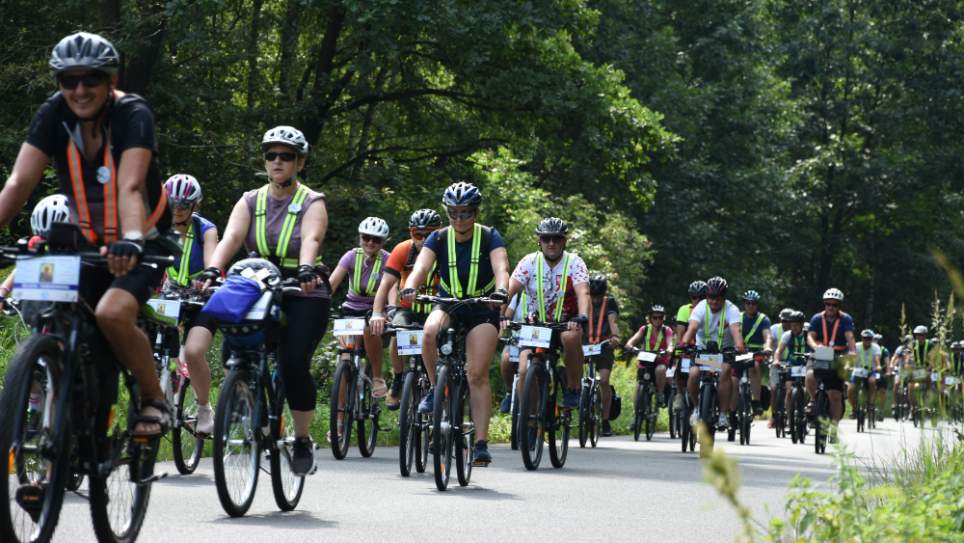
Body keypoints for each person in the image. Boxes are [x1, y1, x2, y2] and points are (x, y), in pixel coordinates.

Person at [0, 32, 175, 436]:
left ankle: (153, 399)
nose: (79, 90)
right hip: (87, 240)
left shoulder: (133, 114)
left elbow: (130, 186)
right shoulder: (52, 114)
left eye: (90, 79)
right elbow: (17, 183)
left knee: (112, 313)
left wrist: (130, 238)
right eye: (68, 80)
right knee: (55, 309)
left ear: (110, 80)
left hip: (142, 239)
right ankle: (64, 420)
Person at [200, 125, 329, 475]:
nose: (277, 161)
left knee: (293, 361)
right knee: (235, 349)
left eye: (286, 156)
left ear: (299, 163)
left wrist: (305, 268)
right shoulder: (250, 200)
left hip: (302, 288)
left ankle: (301, 438)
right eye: (270, 155)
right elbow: (231, 238)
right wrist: (213, 269)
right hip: (258, 283)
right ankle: (245, 398)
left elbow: (312, 238)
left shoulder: (311, 201)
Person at [401, 182, 510, 465]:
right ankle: (437, 391)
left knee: (476, 373)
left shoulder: (489, 237)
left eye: (465, 213)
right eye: (453, 213)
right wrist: (411, 286)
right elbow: (421, 267)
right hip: (448, 302)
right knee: (428, 332)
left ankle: (481, 443)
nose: (459, 220)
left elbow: (501, 268)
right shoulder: (437, 238)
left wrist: (501, 290)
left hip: (481, 307)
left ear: (475, 212)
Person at [505, 217, 591, 413]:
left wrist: (583, 315)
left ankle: (572, 388)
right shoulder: (529, 262)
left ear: (564, 241)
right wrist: (500, 314)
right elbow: (509, 290)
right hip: (536, 325)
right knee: (524, 370)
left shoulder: (574, 263)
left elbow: (583, 292)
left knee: (571, 338)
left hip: (565, 323)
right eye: (546, 239)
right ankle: (530, 418)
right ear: (539, 241)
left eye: (557, 239)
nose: (551, 243)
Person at [162, 174, 219, 434]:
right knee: (152, 345)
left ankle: (204, 407)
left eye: (183, 206)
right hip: (170, 294)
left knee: (194, 351)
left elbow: (211, 259)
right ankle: (161, 392)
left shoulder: (205, 229)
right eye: (171, 204)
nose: (176, 211)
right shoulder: (157, 227)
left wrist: (210, 274)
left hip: (202, 295)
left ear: (194, 206)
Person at [370, 209, 442, 409]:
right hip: (407, 308)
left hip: (436, 308)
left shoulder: (446, 249)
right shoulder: (402, 250)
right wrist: (377, 313)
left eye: (429, 234)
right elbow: (385, 284)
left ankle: (438, 381)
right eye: (417, 234)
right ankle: (399, 378)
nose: (423, 239)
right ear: (410, 233)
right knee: (397, 333)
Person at [328, 217, 392, 399]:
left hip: (375, 312)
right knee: (344, 359)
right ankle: (339, 422)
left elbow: (393, 289)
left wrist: (391, 310)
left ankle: (378, 377)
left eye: (376, 239)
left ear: (383, 242)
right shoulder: (350, 256)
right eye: (366, 237)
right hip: (350, 311)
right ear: (360, 237)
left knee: (369, 328)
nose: (370, 242)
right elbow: (331, 285)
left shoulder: (389, 260)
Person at [680, 276, 746, 429]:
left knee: (725, 371)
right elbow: (692, 328)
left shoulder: (732, 309)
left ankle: (723, 414)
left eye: (718, 298)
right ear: (707, 296)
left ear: (724, 297)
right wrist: (684, 343)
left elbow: (736, 331)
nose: (714, 302)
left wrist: (739, 346)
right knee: (694, 374)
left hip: (724, 351)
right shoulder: (701, 307)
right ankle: (696, 408)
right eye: (711, 298)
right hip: (703, 350)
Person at [0, 195, 73, 306]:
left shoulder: (84, 245)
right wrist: (3, 291)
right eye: (43, 238)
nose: (47, 243)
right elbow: (25, 266)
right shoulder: (38, 242)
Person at [805, 287, 856, 425]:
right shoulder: (816, 318)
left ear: (839, 306)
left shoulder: (845, 319)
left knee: (835, 395)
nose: (831, 307)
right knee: (810, 375)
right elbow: (810, 336)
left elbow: (850, 338)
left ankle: (834, 426)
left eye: (835, 305)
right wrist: (816, 347)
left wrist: (852, 352)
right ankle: (813, 400)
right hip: (820, 352)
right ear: (824, 304)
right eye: (828, 304)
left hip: (837, 354)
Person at [624, 304, 673, 429]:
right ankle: (636, 417)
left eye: (660, 318)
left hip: (659, 360)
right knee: (639, 387)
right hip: (645, 361)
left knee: (661, 370)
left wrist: (668, 349)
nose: (657, 320)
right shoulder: (644, 329)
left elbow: (670, 343)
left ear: (663, 318)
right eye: (654, 317)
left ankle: (660, 394)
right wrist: (631, 347)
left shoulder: (666, 330)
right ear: (650, 318)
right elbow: (631, 341)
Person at [583, 274, 621, 436]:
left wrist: (615, 337)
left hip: (604, 345)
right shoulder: (584, 300)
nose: (596, 300)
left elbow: (613, 323)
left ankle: (605, 420)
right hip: (585, 344)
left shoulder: (610, 302)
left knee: (604, 381)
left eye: (598, 296)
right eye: (593, 296)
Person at [672, 280, 706, 411]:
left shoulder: (711, 311)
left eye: (701, 298)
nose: (696, 301)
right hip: (689, 349)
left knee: (717, 370)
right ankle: (680, 395)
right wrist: (679, 350)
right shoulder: (684, 310)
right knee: (680, 366)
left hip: (705, 351)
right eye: (693, 297)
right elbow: (680, 334)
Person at [739, 290, 772, 416]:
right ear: (744, 304)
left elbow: (767, 336)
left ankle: (756, 401)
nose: (750, 306)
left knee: (754, 366)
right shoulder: (738, 317)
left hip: (757, 353)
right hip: (740, 352)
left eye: (753, 303)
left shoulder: (763, 319)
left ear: (757, 305)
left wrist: (767, 347)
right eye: (748, 303)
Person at [772, 310, 810, 415]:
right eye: (792, 325)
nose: (794, 328)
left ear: (802, 324)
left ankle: (806, 412)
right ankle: (790, 419)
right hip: (792, 365)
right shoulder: (787, 335)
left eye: (797, 325)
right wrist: (776, 360)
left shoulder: (808, 335)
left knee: (808, 390)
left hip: (806, 365)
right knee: (789, 391)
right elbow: (779, 351)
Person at [498, 291, 527, 413]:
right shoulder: (519, 295)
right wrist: (502, 329)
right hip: (517, 340)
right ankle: (510, 392)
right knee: (506, 359)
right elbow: (507, 315)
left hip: (539, 340)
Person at [767, 308, 793, 428]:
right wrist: (769, 352)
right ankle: (773, 416)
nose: (786, 323)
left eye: (788, 321)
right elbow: (770, 341)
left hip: (791, 363)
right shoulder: (774, 329)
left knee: (790, 390)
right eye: (783, 321)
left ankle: (789, 416)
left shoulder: (796, 329)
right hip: (777, 362)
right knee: (773, 389)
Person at [847, 329, 880, 418]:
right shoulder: (856, 346)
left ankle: (871, 403)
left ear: (872, 339)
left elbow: (877, 359)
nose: (867, 340)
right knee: (850, 389)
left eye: (869, 338)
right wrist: (848, 365)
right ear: (862, 338)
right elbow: (851, 356)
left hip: (870, 371)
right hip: (857, 370)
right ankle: (854, 408)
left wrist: (878, 366)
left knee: (872, 382)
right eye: (865, 338)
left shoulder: (875, 347)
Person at [905, 325, 937, 407]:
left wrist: (929, 368)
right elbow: (908, 358)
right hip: (915, 370)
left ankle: (927, 396)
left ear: (925, 335)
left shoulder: (930, 345)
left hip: (927, 369)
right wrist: (908, 365)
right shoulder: (912, 344)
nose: (919, 337)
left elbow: (933, 360)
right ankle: (912, 407)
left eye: (921, 335)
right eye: (917, 335)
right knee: (910, 386)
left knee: (929, 378)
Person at [873, 333, 890, 421]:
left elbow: (887, 362)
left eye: (878, 341)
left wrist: (888, 371)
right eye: (875, 340)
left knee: (882, 391)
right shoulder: (870, 349)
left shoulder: (884, 350)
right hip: (870, 371)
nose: (876, 342)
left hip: (881, 372)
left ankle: (881, 411)